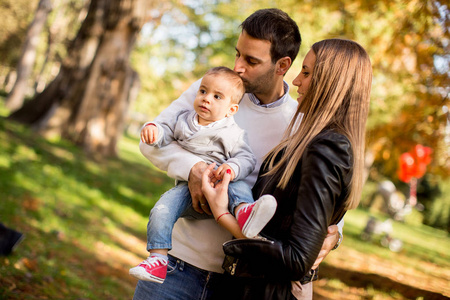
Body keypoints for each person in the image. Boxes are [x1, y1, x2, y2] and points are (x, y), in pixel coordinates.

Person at [134, 8, 341, 300]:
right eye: (238, 54)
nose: (238, 67)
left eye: (251, 60)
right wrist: (193, 167)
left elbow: (324, 188)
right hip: (178, 266)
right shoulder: (213, 92)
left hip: (239, 283)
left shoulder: (298, 121)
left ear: (282, 65)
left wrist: (335, 234)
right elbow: (150, 139)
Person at [202, 38, 372, 299]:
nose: (296, 81)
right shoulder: (314, 139)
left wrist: (222, 214)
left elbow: (296, 259)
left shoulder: (327, 147)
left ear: (330, 81)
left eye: (306, 72)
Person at [129, 66, 277, 283]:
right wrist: (154, 130)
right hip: (190, 190)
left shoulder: (233, 133)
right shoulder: (183, 121)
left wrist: (231, 168)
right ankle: (158, 259)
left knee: (238, 184)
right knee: (162, 209)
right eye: (203, 91)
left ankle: (245, 211)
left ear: (231, 110)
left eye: (217, 97)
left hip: (223, 184)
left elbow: (247, 159)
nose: (207, 99)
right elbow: (164, 131)